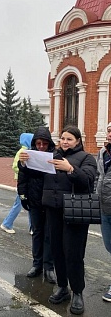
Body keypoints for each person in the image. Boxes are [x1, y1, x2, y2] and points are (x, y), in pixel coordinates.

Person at [43, 125, 96, 315]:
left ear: (78, 141)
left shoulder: (87, 158)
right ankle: (63, 287)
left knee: (73, 254)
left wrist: (70, 169)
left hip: (76, 213)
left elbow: (88, 180)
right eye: (63, 138)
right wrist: (26, 163)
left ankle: (78, 292)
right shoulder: (52, 155)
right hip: (54, 211)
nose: (65, 142)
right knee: (57, 251)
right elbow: (38, 177)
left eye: (69, 139)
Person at [17, 127, 56, 284]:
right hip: (34, 201)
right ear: (34, 143)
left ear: (49, 144)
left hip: (50, 202)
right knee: (37, 232)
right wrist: (23, 196)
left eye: (44, 144)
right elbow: (22, 178)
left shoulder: (55, 156)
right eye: (38, 143)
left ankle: (49, 267)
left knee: (49, 234)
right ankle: (37, 264)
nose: (41, 146)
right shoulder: (28, 156)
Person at [0, 133, 33, 234]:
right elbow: (15, 166)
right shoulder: (22, 152)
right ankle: (6, 224)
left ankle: (33, 227)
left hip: (27, 182)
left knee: (31, 204)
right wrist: (24, 171)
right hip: (22, 183)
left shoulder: (29, 151)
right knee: (19, 204)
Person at [95, 122, 111, 302]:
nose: (110, 133)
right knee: (109, 246)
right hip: (104, 208)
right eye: (109, 130)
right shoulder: (102, 152)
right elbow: (99, 176)